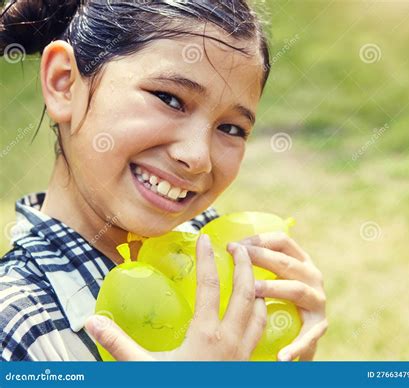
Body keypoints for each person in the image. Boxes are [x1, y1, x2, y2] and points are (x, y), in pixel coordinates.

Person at [0, 0, 327, 361]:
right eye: (170, 99)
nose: (197, 157)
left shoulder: (223, 262)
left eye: (231, 128)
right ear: (63, 83)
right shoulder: (17, 329)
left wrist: (289, 359)